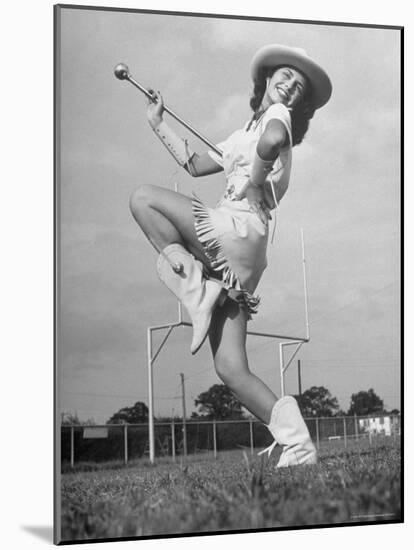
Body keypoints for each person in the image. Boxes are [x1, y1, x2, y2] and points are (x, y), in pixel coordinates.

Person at [129, 44, 332, 467]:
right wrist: (157, 123)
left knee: (144, 199)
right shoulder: (247, 129)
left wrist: (256, 179)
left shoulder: (278, 118)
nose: (290, 87)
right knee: (231, 369)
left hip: (238, 228)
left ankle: (198, 290)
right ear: (268, 78)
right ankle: (298, 445)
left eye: (298, 86)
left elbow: (273, 141)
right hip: (246, 255)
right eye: (285, 76)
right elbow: (194, 164)